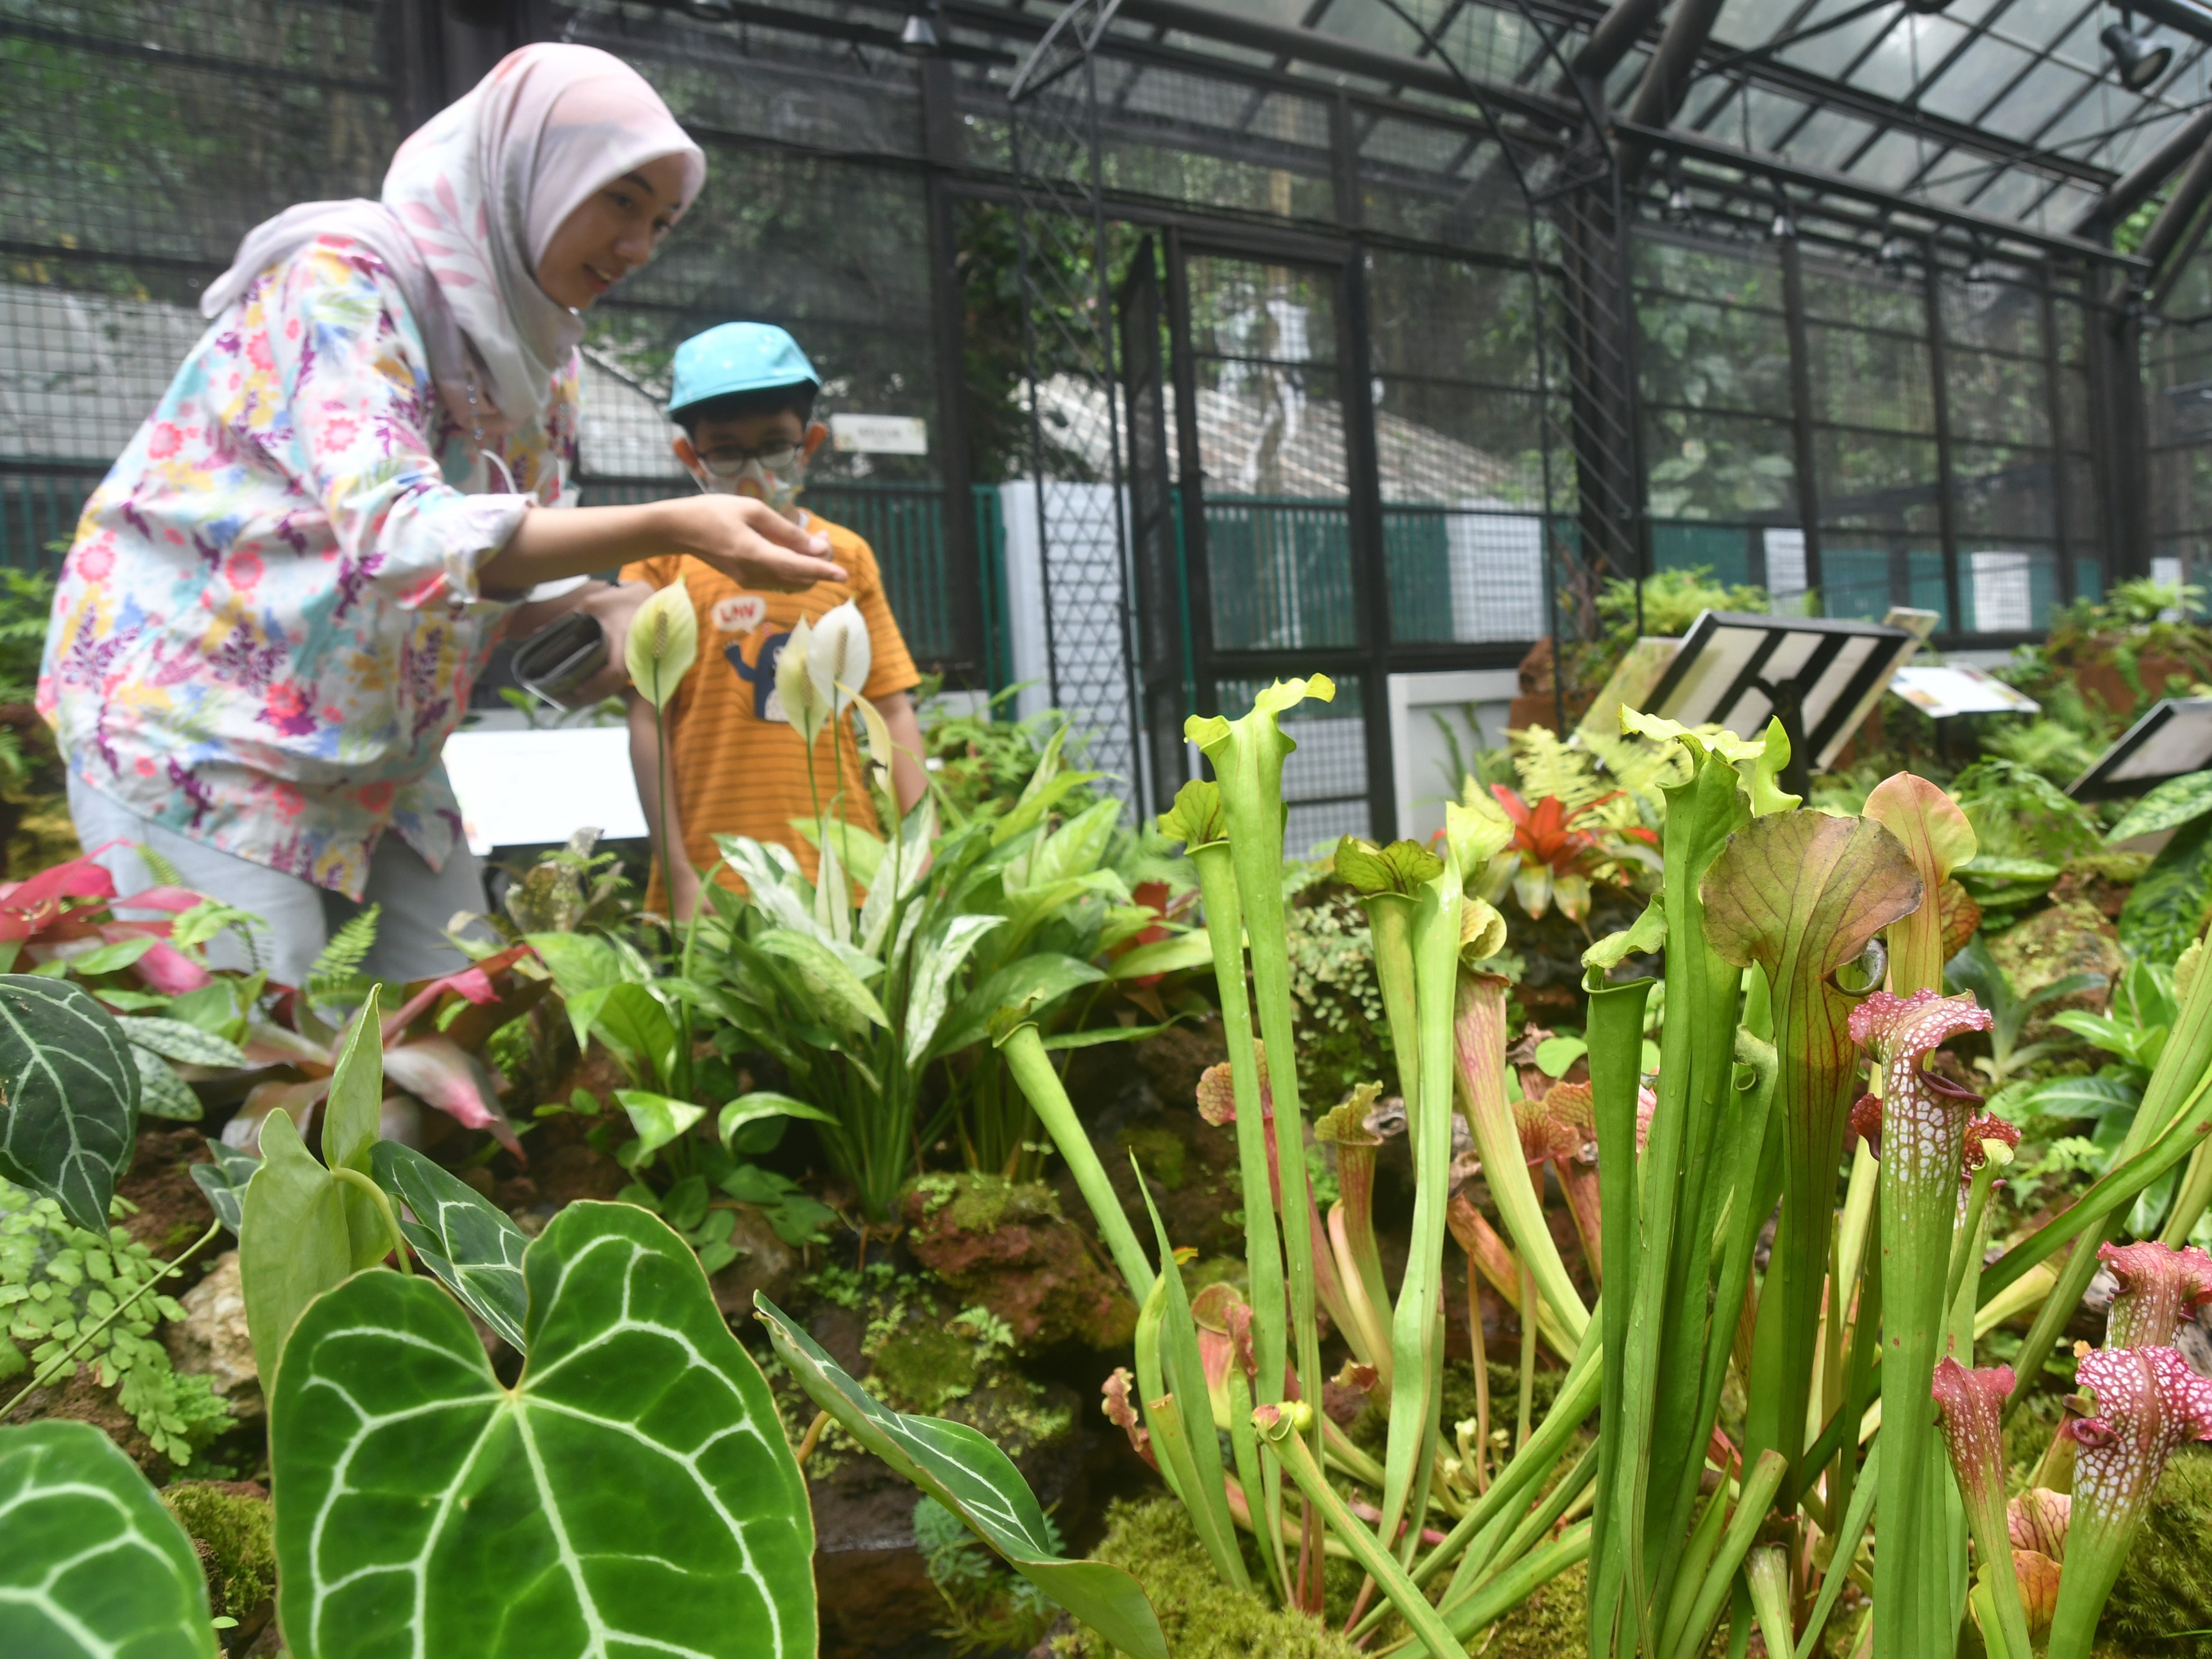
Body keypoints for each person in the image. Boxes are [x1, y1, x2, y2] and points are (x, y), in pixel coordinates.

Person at [40, 45, 846, 988]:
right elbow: (402, 533)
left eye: (662, 221)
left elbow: (495, 558)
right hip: (201, 732)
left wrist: (598, 608)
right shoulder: (342, 277)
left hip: (379, 763)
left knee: (458, 1022)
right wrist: (674, 524)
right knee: (256, 1068)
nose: (639, 246)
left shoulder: (542, 355)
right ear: (530, 170)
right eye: (620, 199)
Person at [625, 322, 927, 920]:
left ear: (809, 443)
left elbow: (892, 709)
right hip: (713, 878)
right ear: (691, 455)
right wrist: (681, 873)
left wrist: (920, 856)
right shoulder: (659, 561)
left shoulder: (847, 556)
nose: (754, 466)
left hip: (844, 870)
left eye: (775, 444)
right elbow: (647, 722)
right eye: (727, 448)